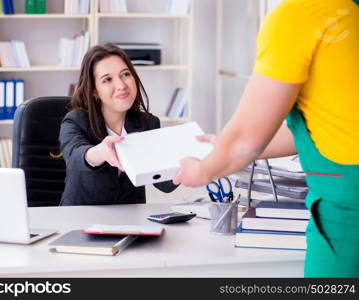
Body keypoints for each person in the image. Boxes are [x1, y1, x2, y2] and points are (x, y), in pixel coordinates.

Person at [173, 0, 359, 278]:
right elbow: (322, 126)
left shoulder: (300, 16)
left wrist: (202, 170)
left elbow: (246, 141)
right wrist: (223, 147)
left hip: (347, 212)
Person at [59, 43, 177, 206]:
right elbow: (75, 155)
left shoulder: (148, 123)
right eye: (107, 79)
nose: (121, 85)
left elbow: (164, 184)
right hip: (81, 218)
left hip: (131, 220)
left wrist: (183, 162)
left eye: (126, 74)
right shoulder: (75, 120)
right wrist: (100, 152)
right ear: (94, 91)